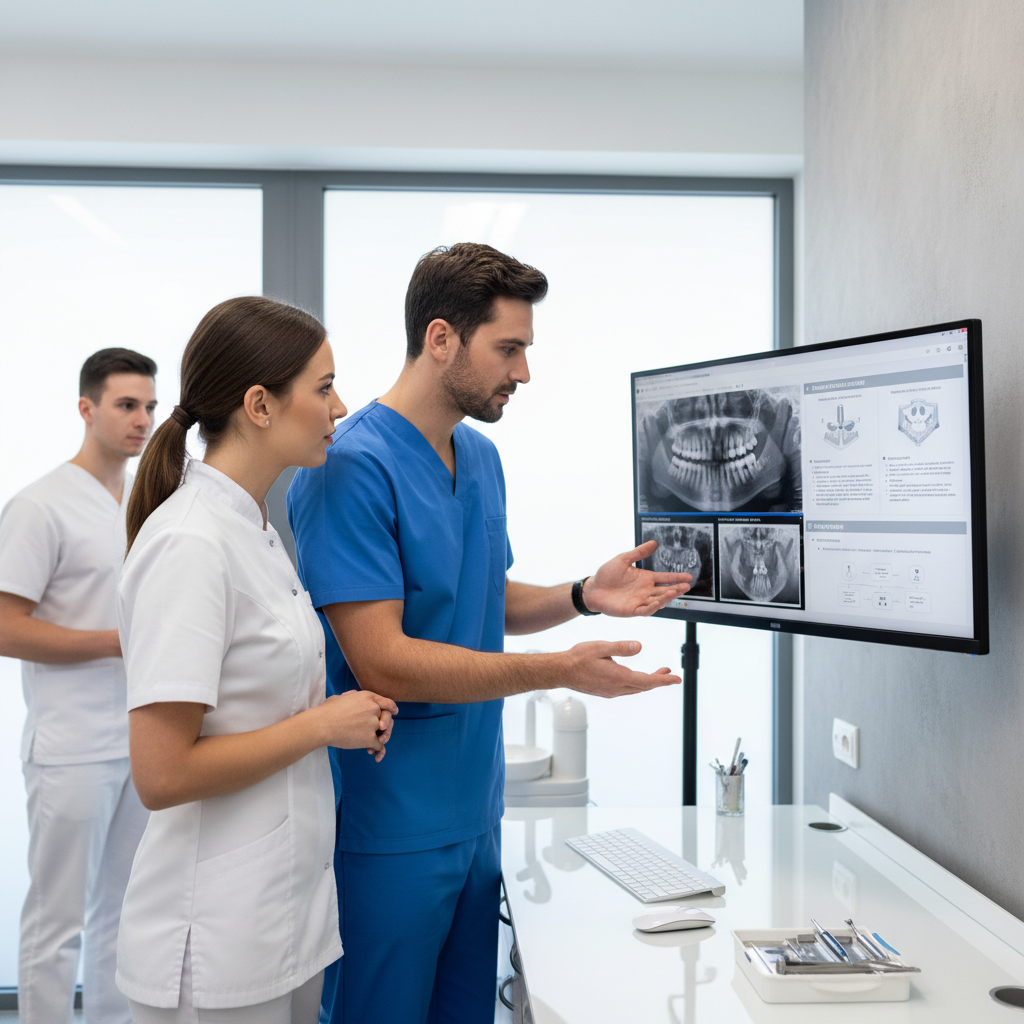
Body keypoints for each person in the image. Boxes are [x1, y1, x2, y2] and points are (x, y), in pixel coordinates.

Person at [286, 243, 694, 1024]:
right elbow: (385, 659)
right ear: (442, 338)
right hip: (389, 824)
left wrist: (582, 594)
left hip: (475, 811)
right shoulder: (350, 467)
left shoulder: (480, 456)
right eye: (509, 349)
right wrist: (558, 671)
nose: (524, 373)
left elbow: (481, 595)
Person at [115, 296, 397, 1024]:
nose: (339, 408)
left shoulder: (255, 530)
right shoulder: (190, 542)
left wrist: (338, 719)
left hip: (282, 919)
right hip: (213, 938)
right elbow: (161, 773)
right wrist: (322, 725)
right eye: (324, 387)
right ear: (260, 406)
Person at [0, 348, 158, 1024]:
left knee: (123, 913)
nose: (142, 420)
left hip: (142, 741)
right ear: (87, 408)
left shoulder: (144, 504)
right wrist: (115, 644)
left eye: (150, 406)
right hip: (71, 747)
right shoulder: (40, 507)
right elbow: (6, 627)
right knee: (56, 920)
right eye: (127, 405)